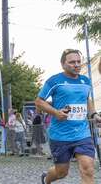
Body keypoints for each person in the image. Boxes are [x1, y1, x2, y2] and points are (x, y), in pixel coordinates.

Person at [36, 49, 101, 184]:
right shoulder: (54, 81)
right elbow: (39, 102)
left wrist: (94, 114)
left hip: (82, 134)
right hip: (60, 135)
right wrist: (55, 112)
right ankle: (46, 179)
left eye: (78, 62)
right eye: (72, 62)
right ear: (63, 64)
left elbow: (87, 100)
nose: (76, 65)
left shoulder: (86, 81)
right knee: (61, 172)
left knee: (88, 169)